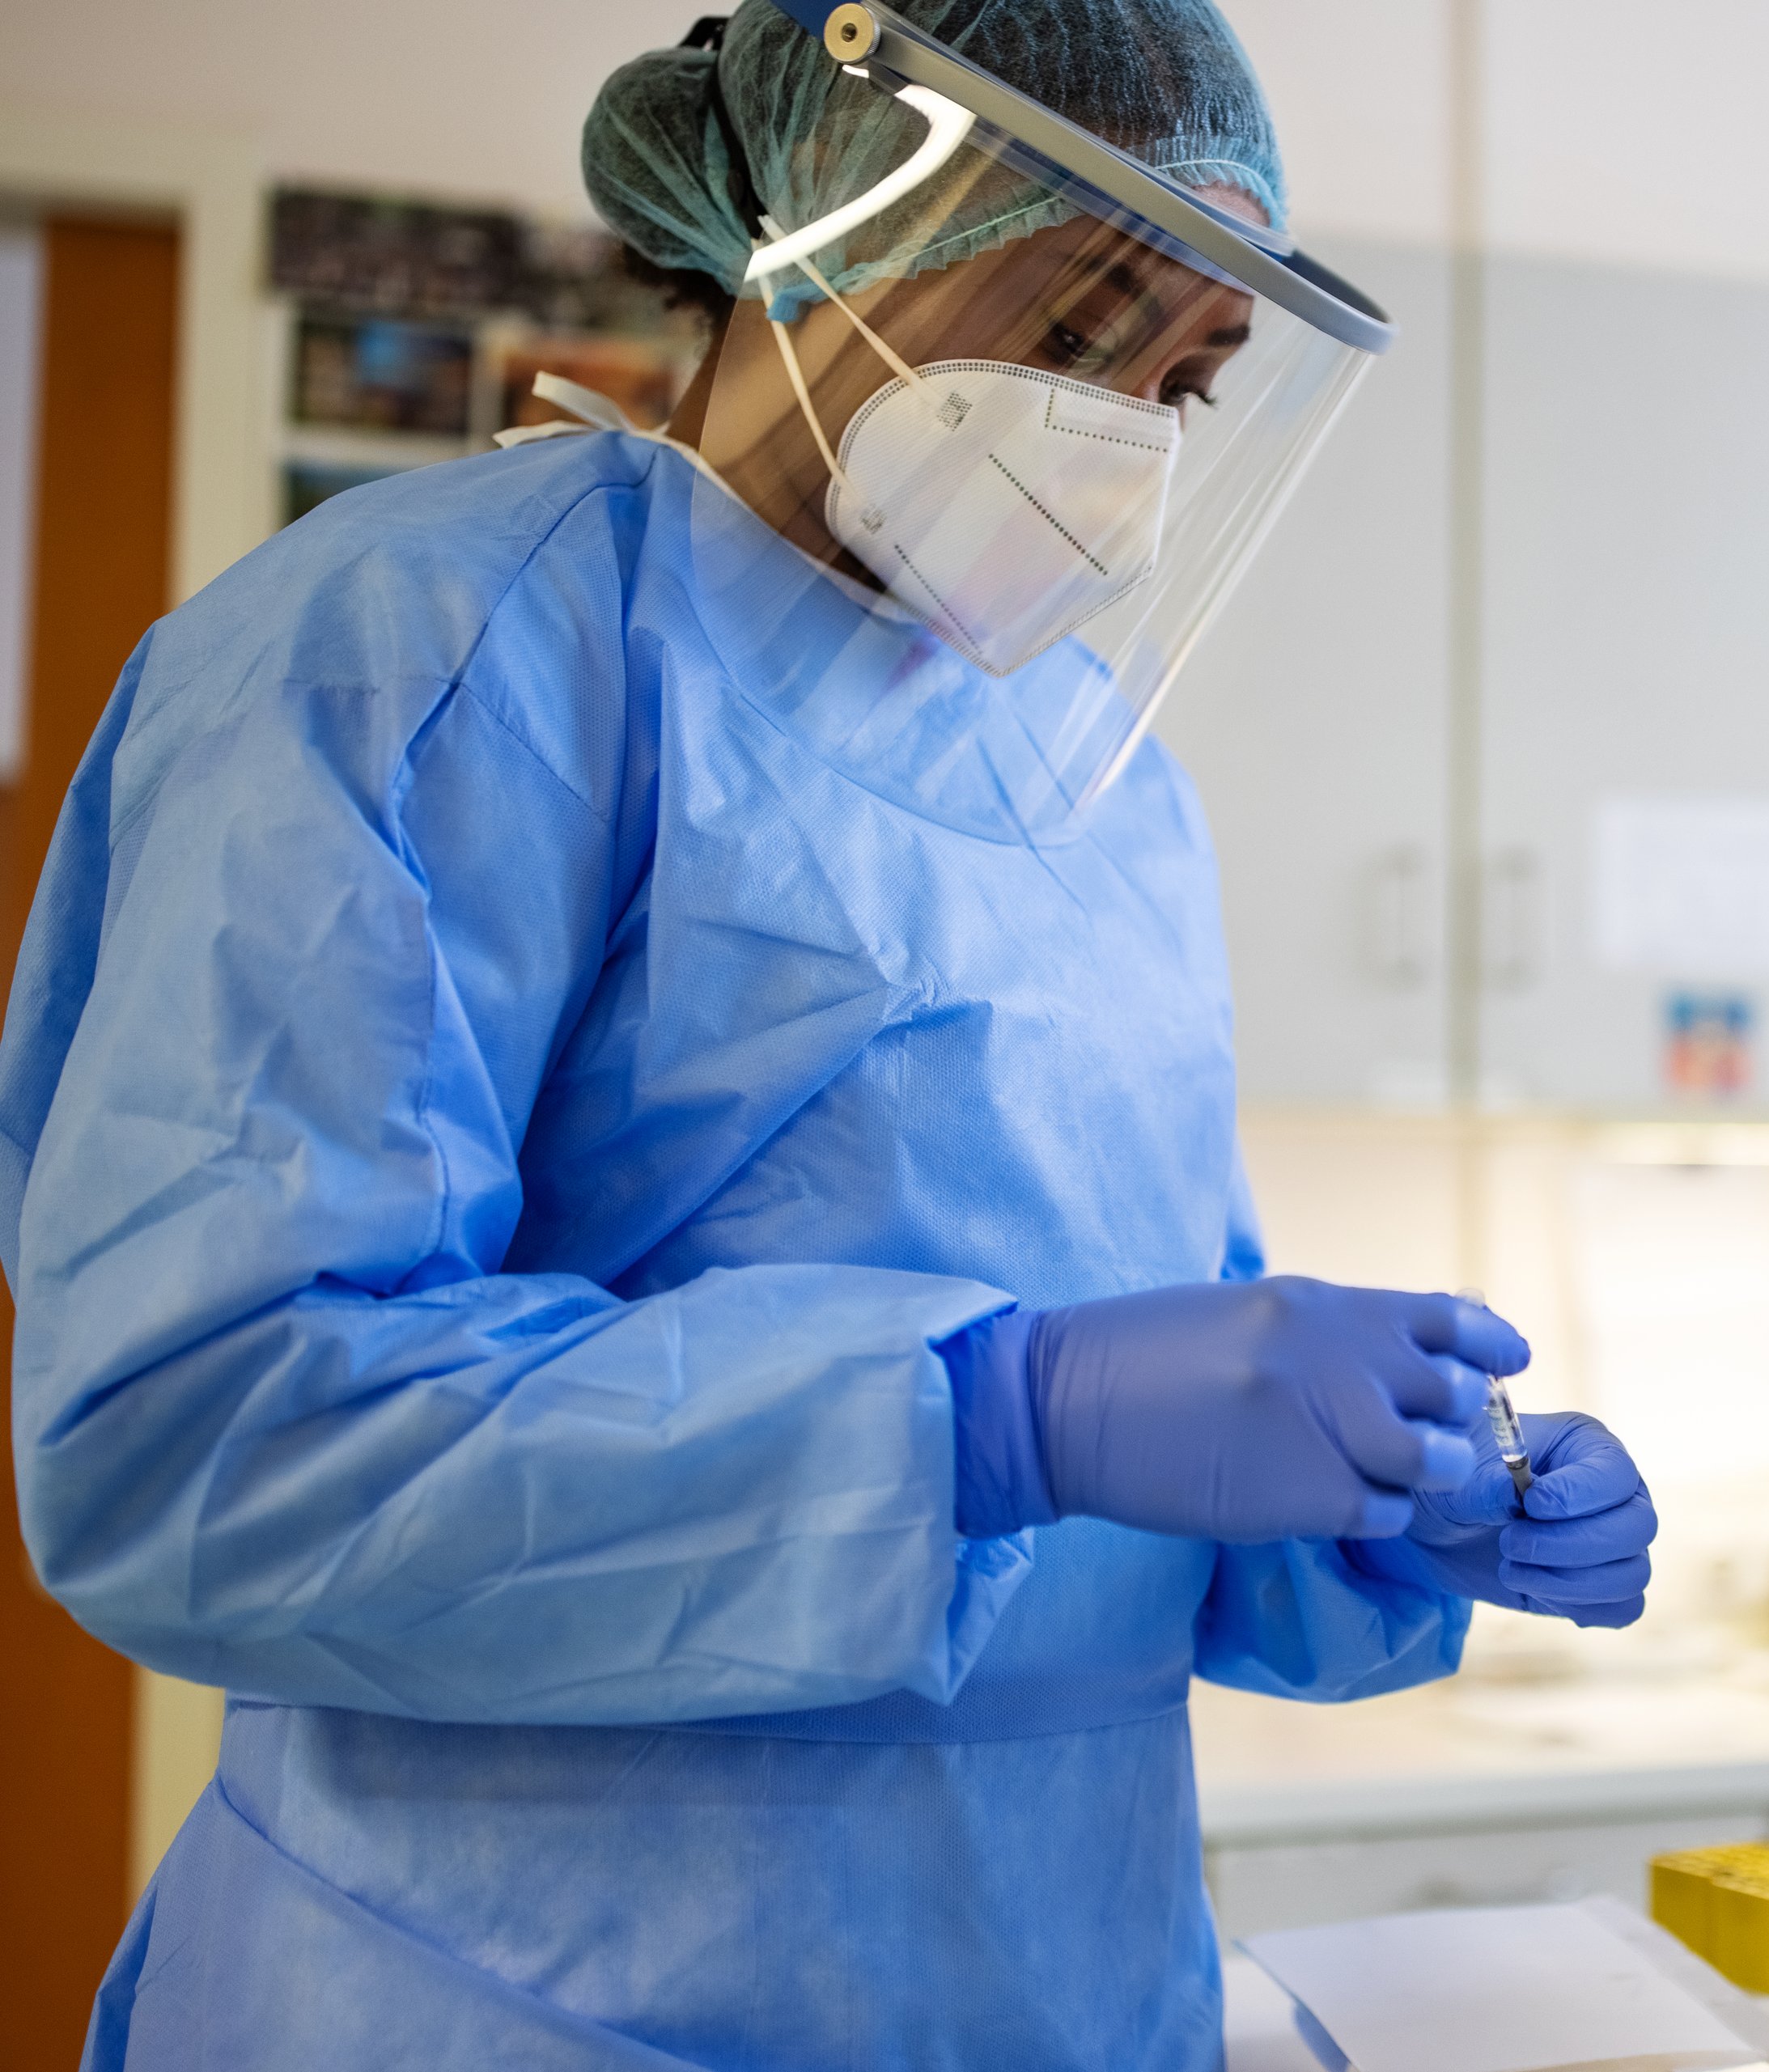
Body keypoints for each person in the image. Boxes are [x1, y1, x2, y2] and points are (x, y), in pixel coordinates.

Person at [0, 2, 1657, 2065]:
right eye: (1076, 334)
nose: (1128, 428)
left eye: (1188, 383)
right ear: (828, 232)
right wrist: (978, 1416)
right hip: (511, 1994)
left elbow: (1144, 1437)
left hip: (1054, 1990)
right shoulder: (431, 650)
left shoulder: (1099, 791)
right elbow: (208, 1446)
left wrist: (1374, 1500)